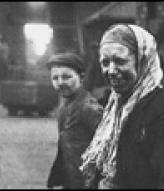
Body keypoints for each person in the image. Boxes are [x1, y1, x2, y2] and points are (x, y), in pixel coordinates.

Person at [80, 24, 164, 189]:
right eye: (105, 62)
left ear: (143, 61)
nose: (110, 70)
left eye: (120, 61)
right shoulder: (115, 108)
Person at [46, 52, 103, 189]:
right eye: (55, 78)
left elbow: (108, 149)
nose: (60, 83)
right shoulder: (64, 106)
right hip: (71, 180)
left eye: (66, 77)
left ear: (81, 77)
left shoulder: (89, 108)